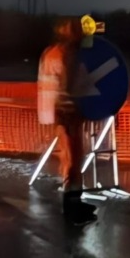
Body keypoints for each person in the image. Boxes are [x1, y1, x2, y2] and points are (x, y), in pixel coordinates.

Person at [38, 17, 97, 223]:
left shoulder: (50, 52)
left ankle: (73, 200)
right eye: (77, 30)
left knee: (67, 157)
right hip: (70, 110)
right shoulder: (68, 53)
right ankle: (73, 206)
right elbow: (72, 85)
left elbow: (45, 85)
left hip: (57, 111)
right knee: (74, 158)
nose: (82, 34)